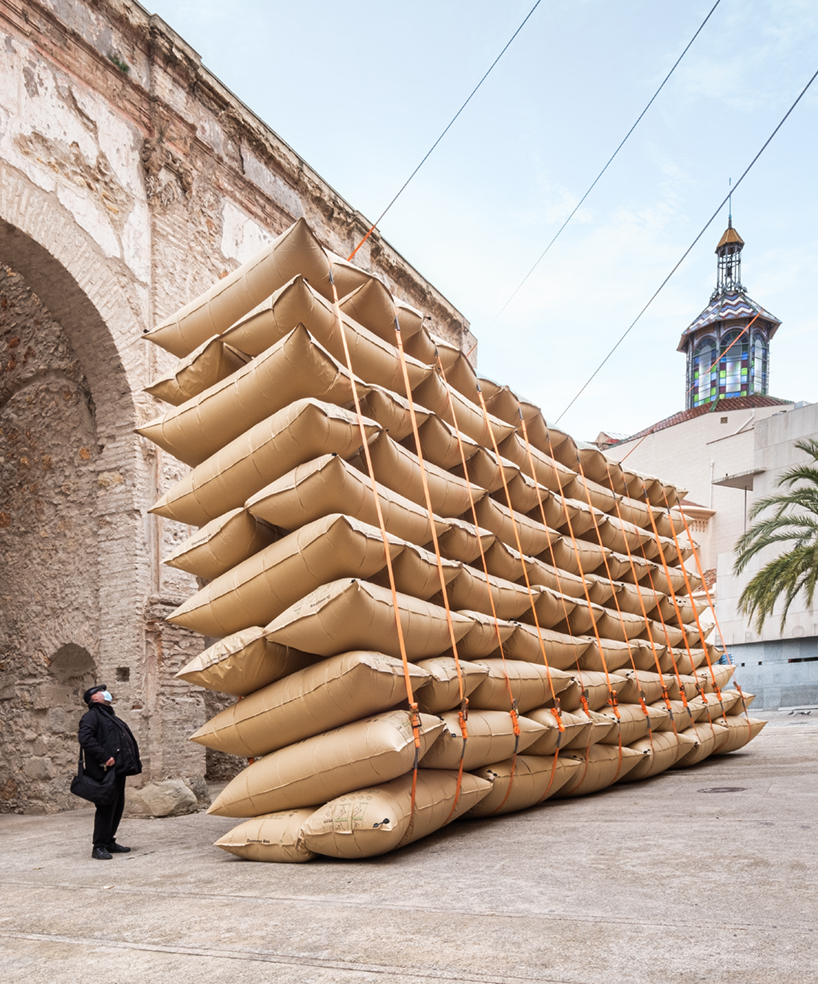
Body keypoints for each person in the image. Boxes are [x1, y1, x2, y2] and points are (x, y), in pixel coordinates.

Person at [78, 685, 142, 860]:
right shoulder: (91, 716)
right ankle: (98, 846)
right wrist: (105, 756)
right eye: (101, 691)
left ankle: (109, 842)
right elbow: (85, 739)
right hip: (103, 770)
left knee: (117, 806)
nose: (105, 693)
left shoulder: (108, 714)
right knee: (106, 807)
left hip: (117, 770)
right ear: (94, 698)